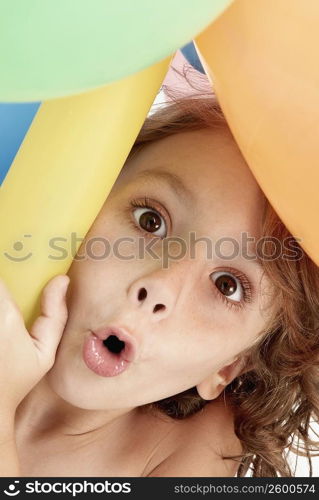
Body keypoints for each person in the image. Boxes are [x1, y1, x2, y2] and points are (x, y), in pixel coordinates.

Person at [1, 87, 318, 478]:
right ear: (84, 200)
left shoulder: (191, 454)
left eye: (227, 285)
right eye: (150, 221)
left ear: (226, 369)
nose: (159, 288)